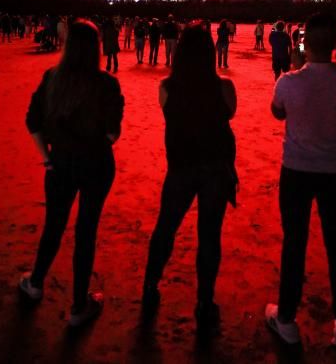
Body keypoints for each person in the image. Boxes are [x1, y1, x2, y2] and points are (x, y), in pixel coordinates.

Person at [19, 20, 124, 327]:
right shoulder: (106, 83)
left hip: (61, 164)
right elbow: (113, 131)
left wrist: (48, 159)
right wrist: (94, 145)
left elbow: (33, 122)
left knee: (54, 225)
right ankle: (79, 307)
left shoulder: (52, 78)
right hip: (96, 164)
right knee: (86, 231)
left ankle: (36, 283)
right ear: (97, 48)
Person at [267, 13, 336, 349]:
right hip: (335, 170)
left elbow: (278, 113)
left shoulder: (289, 82)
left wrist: (295, 71)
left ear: (304, 42)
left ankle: (287, 319)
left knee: (295, 243)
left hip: (296, 169)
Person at [142, 23, 237, 326]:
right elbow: (230, 114)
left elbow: (170, 113)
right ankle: (204, 301)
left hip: (181, 167)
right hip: (216, 169)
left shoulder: (167, 88)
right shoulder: (224, 87)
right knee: (209, 235)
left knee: (166, 228)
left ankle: (150, 286)